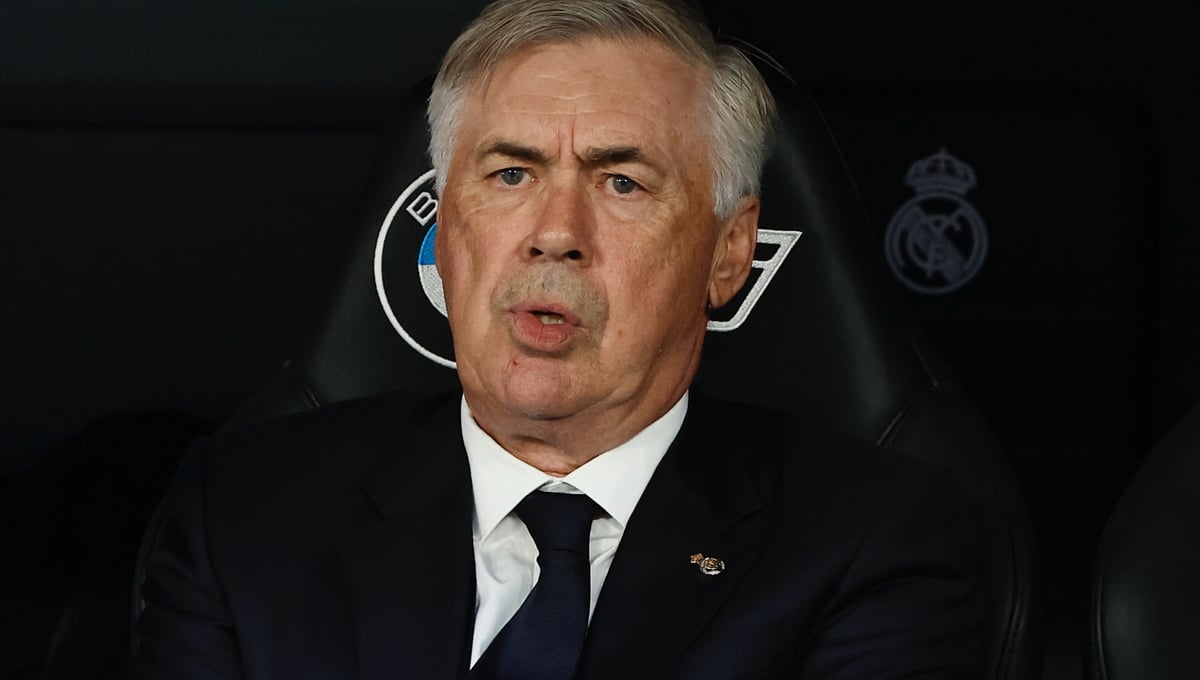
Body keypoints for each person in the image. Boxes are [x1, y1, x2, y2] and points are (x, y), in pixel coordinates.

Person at [127, 0, 986, 678]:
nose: (554, 233)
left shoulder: (873, 540)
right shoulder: (243, 512)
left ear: (729, 251)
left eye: (622, 182)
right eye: (511, 174)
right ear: (446, 230)